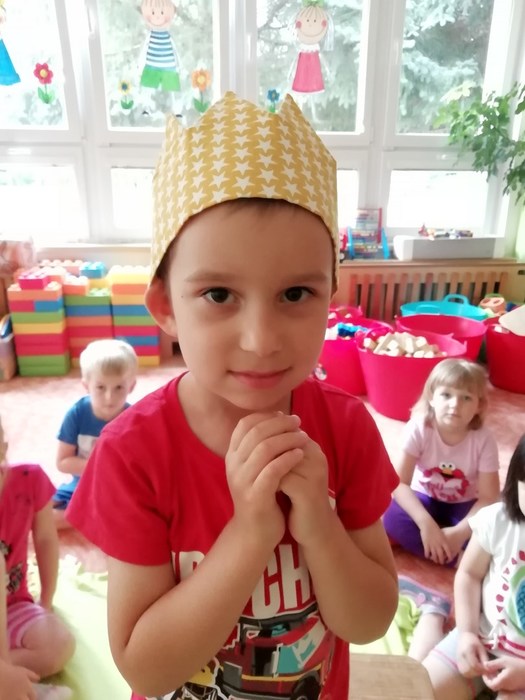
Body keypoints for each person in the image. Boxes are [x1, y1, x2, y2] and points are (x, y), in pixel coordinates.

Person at [67, 91, 399, 700]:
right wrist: (249, 534)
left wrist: (320, 526)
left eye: (295, 294)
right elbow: (146, 670)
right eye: (219, 295)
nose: (261, 341)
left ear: (330, 295)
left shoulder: (347, 429)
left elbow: (370, 622)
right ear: (166, 307)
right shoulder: (132, 455)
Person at [422, 435, 525, 700]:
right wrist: (467, 634)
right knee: (418, 691)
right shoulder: (498, 520)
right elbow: (469, 574)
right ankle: (431, 614)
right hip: (482, 640)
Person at [383, 358, 500, 566]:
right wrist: (426, 524)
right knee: (392, 519)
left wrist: (460, 532)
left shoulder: (484, 439)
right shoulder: (418, 428)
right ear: (432, 397)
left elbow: (489, 498)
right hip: (424, 496)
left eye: (466, 398)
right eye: (446, 395)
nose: (455, 405)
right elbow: (399, 484)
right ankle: (461, 561)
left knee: (493, 528)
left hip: (464, 503)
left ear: (479, 405)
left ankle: (444, 549)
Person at [0, 416, 75, 698]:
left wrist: (47, 600)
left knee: (59, 645)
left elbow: (45, 539)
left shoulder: (28, 481)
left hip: (13, 606)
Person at [53, 339, 138, 529]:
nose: (109, 397)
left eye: (119, 387)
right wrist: (102, 467)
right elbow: (63, 462)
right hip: (82, 485)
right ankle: (95, 516)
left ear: (131, 387)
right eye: (100, 387)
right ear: (86, 385)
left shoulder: (134, 419)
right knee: (43, 515)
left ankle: (95, 516)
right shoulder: (77, 413)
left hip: (118, 489)